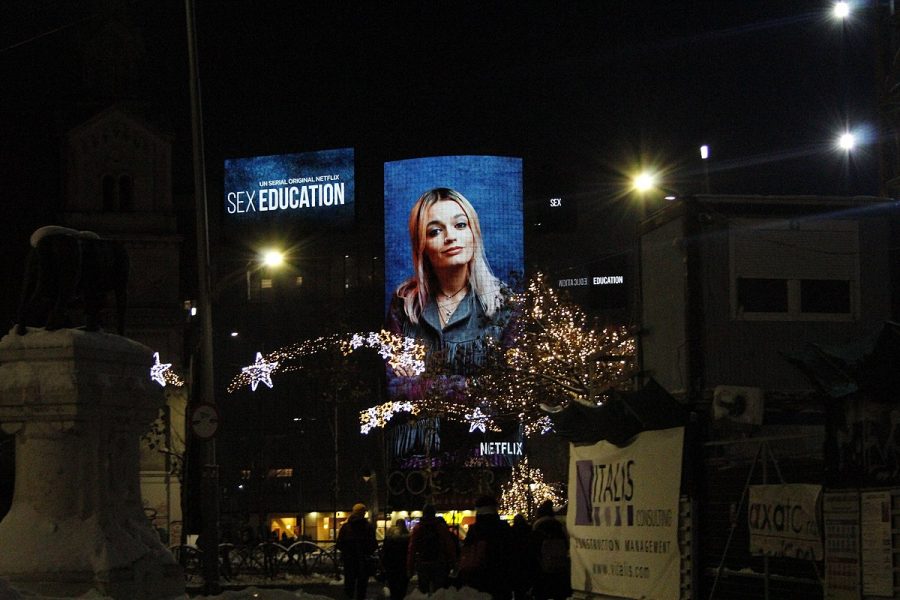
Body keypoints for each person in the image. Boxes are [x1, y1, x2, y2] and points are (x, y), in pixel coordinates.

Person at [387, 187, 513, 378]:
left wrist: (420, 382)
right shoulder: (403, 302)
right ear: (422, 246)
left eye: (460, 225)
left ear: (473, 232)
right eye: (435, 231)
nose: (451, 237)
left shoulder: (505, 302)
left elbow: (508, 388)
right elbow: (393, 385)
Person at [457, 495, 514, 600]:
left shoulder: (474, 530)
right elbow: (512, 552)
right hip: (501, 576)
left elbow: (467, 551)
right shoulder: (504, 528)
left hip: (478, 575)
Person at [407, 503, 458, 594]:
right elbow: (449, 546)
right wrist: (454, 563)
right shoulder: (440, 527)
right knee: (438, 591)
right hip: (439, 562)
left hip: (423, 562)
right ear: (434, 513)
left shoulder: (418, 528)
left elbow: (412, 548)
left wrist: (410, 567)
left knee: (423, 592)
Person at [530, 500, 571, 600]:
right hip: (559, 565)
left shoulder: (538, 525)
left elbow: (534, 546)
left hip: (543, 565)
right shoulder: (558, 525)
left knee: (543, 593)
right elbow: (567, 542)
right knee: (559, 593)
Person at [336, 503, 377, 600]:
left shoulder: (345, 527)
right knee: (362, 588)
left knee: (349, 586)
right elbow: (373, 545)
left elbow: (339, 544)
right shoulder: (368, 527)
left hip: (349, 561)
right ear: (363, 513)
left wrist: (347, 552)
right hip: (364, 561)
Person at [381, 518, 411, 599]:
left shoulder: (389, 538)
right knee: (402, 588)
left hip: (391, 566)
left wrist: (383, 564)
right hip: (403, 566)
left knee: (393, 587)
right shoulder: (408, 538)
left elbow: (384, 552)